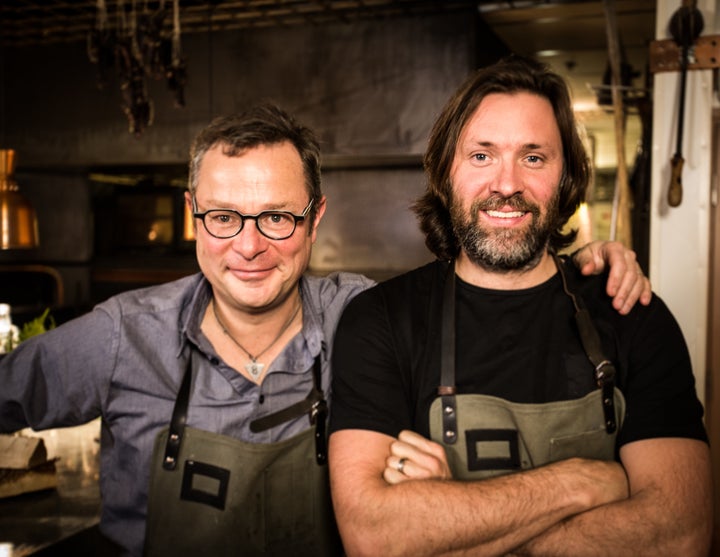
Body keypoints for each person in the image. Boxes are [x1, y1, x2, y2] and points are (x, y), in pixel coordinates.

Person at [0, 104, 650, 557]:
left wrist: (579, 277)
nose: (249, 245)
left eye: (277, 217)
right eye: (224, 216)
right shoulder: (122, 334)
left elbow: (499, 307)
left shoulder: (368, 317)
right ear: (193, 215)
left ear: (316, 219)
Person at [327, 56, 712, 557]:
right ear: (445, 171)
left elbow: (682, 534)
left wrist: (453, 523)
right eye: (482, 156)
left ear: (567, 176)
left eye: (533, 158)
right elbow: (376, 537)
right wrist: (581, 483)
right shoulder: (379, 320)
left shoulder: (632, 312)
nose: (506, 185)